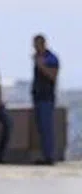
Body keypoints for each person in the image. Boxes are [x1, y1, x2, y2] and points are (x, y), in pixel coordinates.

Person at [30, 34, 60, 165]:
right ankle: (44, 154)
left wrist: (41, 65)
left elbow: (53, 76)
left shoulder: (51, 58)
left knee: (47, 127)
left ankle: (49, 156)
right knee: (41, 128)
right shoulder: (38, 57)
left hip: (47, 98)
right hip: (38, 96)